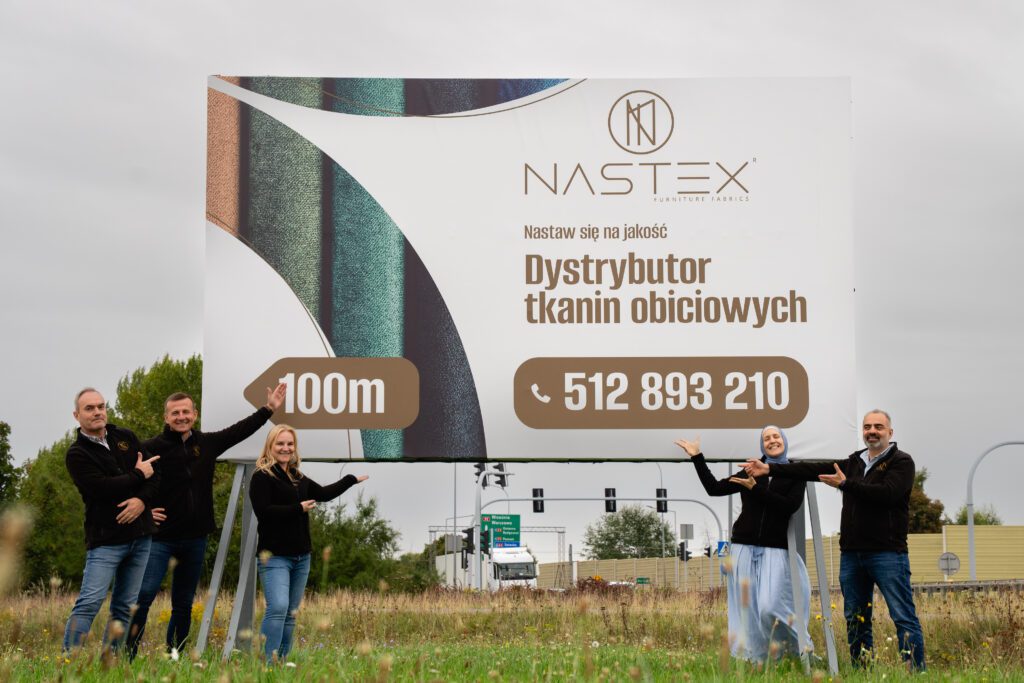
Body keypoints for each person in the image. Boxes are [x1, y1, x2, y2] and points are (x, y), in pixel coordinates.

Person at [743, 410, 925, 671]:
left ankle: (915, 671)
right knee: (856, 618)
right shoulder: (854, 462)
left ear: (890, 432)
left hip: (887, 553)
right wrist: (770, 468)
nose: (872, 431)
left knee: (902, 616)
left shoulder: (901, 461)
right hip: (852, 554)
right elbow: (812, 469)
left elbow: (887, 494)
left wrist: (845, 485)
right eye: (867, 427)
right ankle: (863, 671)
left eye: (878, 427)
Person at [126, 384, 286, 658]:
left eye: (185, 412)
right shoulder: (150, 448)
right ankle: (127, 655)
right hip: (159, 539)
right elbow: (128, 481)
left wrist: (269, 408)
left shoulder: (207, 444)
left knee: (183, 604)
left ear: (195, 414)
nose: (181, 417)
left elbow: (240, 430)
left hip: (195, 539)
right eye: (175, 413)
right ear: (166, 417)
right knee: (143, 597)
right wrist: (143, 510)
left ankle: (174, 657)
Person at [676, 427, 811, 663]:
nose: (772, 441)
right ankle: (757, 659)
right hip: (743, 548)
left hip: (775, 550)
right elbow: (714, 488)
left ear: (784, 441)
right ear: (762, 445)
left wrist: (755, 489)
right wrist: (696, 456)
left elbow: (789, 506)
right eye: (766, 438)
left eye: (776, 436)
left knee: (771, 607)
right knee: (747, 611)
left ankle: (797, 651)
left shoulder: (795, 473)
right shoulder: (751, 469)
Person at [249, 424, 367, 663]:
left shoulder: (297, 477)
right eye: (280, 443)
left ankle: (281, 662)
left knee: (290, 613)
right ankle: (267, 665)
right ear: (270, 446)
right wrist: (297, 508)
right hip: (275, 556)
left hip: (302, 556)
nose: (285, 448)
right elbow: (264, 511)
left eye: (289, 444)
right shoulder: (262, 476)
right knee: (278, 607)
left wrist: (350, 480)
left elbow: (322, 493)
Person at [63, 388, 161, 653]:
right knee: (89, 602)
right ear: (77, 415)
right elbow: (102, 489)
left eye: (101, 406)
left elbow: (154, 473)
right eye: (89, 408)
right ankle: (68, 662)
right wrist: (138, 475)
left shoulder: (125, 437)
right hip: (106, 540)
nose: (97, 412)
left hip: (141, 537)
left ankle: (110, 663)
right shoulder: (77, 454)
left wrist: (141, 500)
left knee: (124, 607)